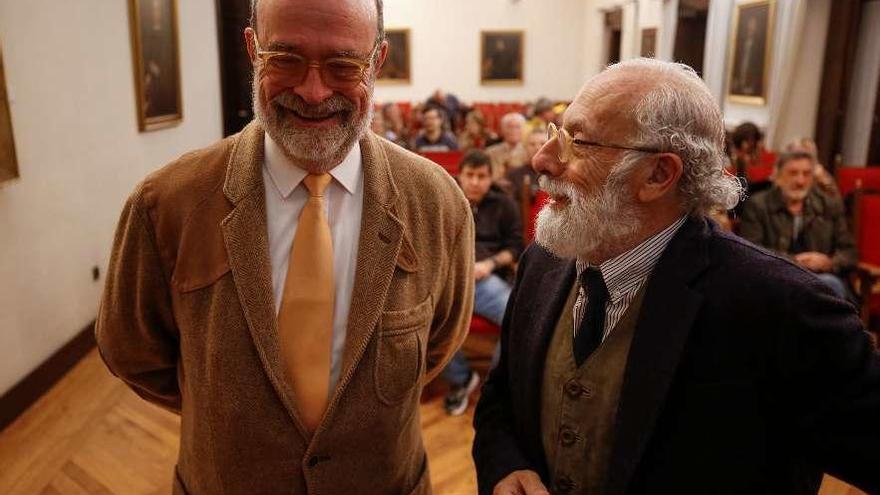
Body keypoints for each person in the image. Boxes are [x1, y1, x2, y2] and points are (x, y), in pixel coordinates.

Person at [95, 0, 474, 493]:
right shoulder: (165, 205)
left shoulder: (438, 205)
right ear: (254, 50)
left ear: (377, 61)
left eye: (343, 65)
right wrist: (233, 419)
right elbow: (133, 353)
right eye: (286, 59)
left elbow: (441, 343)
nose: (313, 92)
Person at [473, 59, 880, 495]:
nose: (542, 159)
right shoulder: (543, 261)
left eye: (578, 142)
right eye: (557, 133)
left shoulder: (785, 308)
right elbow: (502, 397)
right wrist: (504, 465)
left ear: (658, 175)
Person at [441, 150, 523, 416]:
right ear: (460, 175)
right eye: (470, 175)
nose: (475, 182)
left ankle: (496, 386)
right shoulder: (444, 197)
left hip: (487, 278)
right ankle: (461, 380)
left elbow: (515, 246)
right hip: (450, 279)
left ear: (491, 178)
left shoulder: (504, 204)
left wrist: (489, 264)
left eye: (482, 176)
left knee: (517, 320)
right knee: (430, 321)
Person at [739, 150, 857, 299]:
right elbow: (749, 251)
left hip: (821, 279)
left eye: (806, 174)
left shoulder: (828, 205)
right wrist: (794, 262)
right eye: (793, 173)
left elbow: (850, 253)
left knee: (830, 285)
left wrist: (829, 263)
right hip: (777, 278)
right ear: (778, 176)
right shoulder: (758, 205)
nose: (800, 181)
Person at [485, 112, 527, 180]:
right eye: (509, 127)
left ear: (522, 130)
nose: (513, 130)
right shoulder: (490, 153)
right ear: (502, 130)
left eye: (517, 127)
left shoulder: (528, 153)